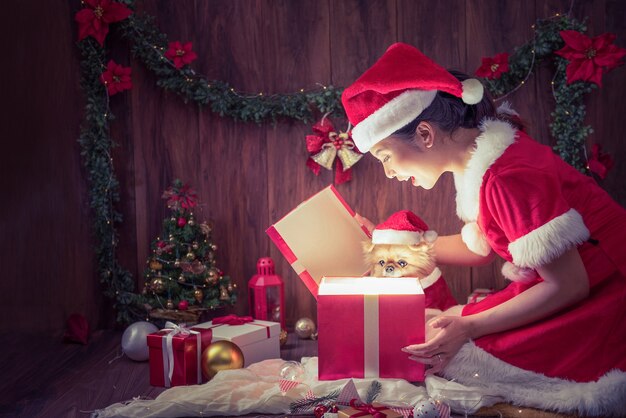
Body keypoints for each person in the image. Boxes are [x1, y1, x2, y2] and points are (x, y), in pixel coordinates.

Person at [343, 42, 626, 413]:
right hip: (570, 286)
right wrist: (398, 247)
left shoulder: (507, 176)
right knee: (442, 330)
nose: (390, 172)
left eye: (384, 157)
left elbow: (570, 284)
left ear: (425, 135)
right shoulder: (478, 162)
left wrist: (471, 327)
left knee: (451, 352)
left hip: (607, 297)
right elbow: (479, 248)